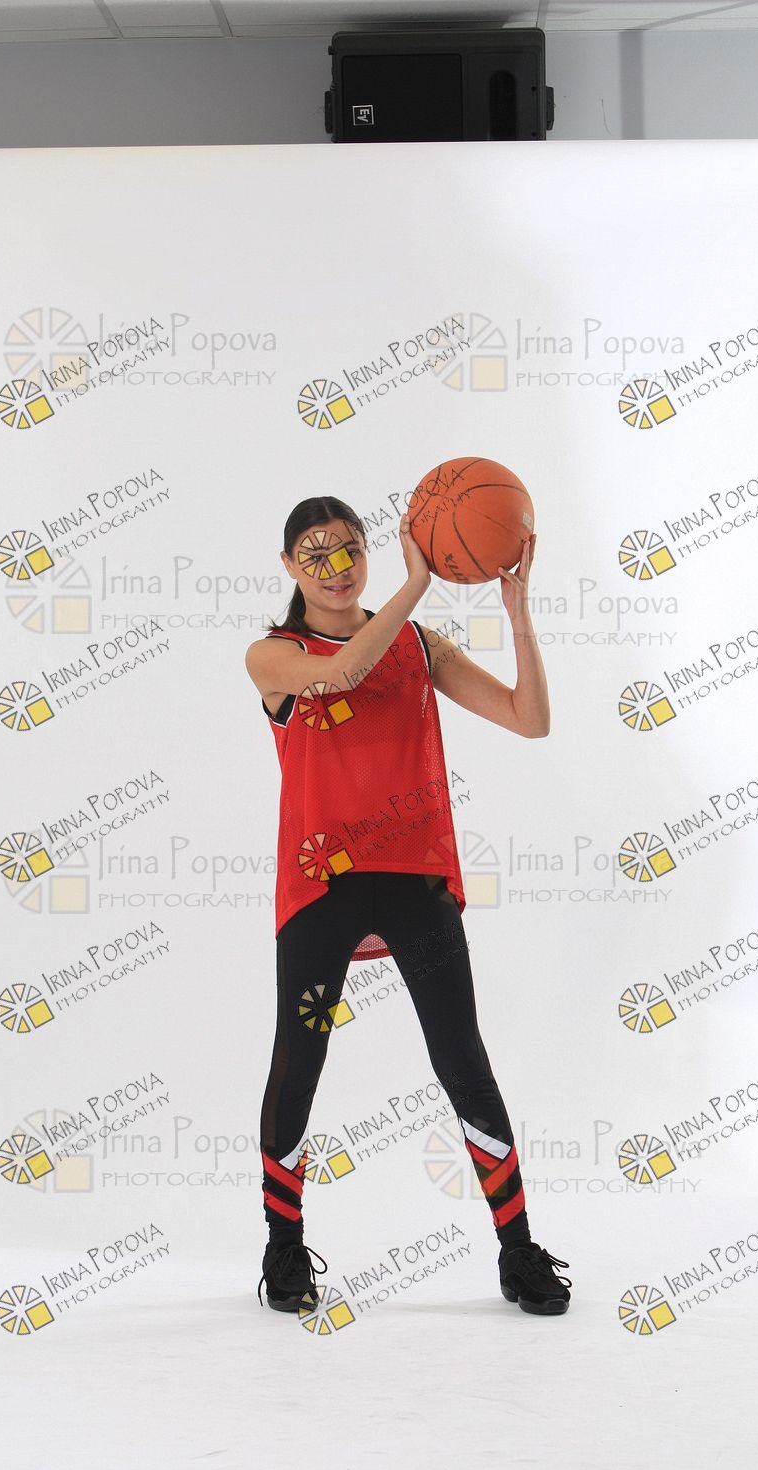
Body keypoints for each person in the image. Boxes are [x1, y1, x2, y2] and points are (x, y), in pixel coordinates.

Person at [244, 494, 572, 1318]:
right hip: (321, 885)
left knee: (463, 1059)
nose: (335, 567)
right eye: (315, 553)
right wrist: (417, 584)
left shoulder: (419, 646)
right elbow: (342, 673)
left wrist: (517, 612)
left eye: (349, 549)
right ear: (288, 566)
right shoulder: (274, 654)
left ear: (368, 553)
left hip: (415, 880)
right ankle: (284, 1247)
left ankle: (518, 1250)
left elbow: (529, 719)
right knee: (300, 1058)